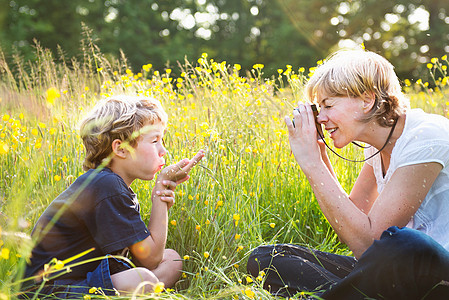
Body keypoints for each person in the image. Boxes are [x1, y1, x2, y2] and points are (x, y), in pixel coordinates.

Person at [247, 50, 449, 299]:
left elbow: (368, 243)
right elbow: (353, 227)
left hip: (436, 273)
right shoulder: (377, 146)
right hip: (398, 272)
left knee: (404, 242)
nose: (321, 118)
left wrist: (313, 165)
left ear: (367, 100)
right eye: (319, 108)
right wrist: (319, 157)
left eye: (328, 105)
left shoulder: (425, 137)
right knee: (266, 257)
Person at [20, 95, 204, 298]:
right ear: (121, 149)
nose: (163, 150)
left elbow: (145, 255)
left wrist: (162, 191)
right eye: (155, 141)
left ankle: (145, 293)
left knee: (172, 260)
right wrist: (160, 193)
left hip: (82, 280)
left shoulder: (108, 183)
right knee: (144, 279)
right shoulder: (107, 185)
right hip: (48, 292)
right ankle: (145, 292)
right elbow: (149, 259)